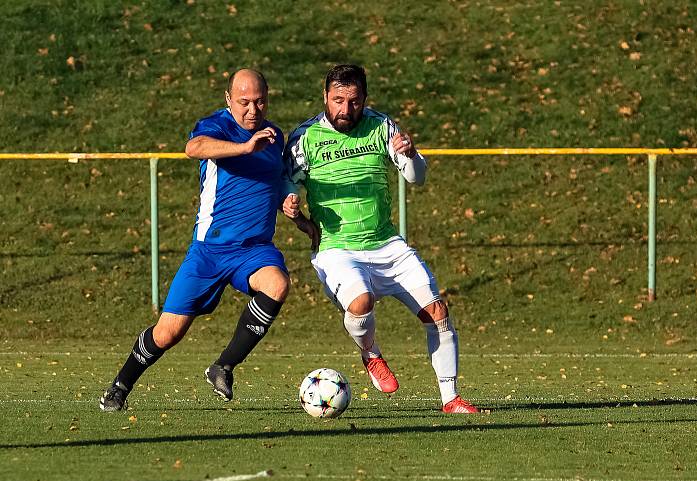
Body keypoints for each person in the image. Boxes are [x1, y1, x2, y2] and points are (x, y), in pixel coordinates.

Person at [282, 64, 478, 414]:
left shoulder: (382, 127)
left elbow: (415, 177)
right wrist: (291, 204)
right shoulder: (305, 137)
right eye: (338, 100)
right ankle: (371, 354)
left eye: (354, 101)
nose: (345, 109)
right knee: (361, 302)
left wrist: (412, 154)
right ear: (325, 97)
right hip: (337, 248)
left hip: (387, 244)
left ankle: (451, 400)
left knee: (438, 313)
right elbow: (289, 185)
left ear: (364, 99)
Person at [100, 68, 290, 411]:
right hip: (210, 251)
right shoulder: (216, 126)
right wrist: (245, 146)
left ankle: (223, 366)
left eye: (259, 101)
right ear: (228, 100)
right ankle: (120, 385)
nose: (252, 109)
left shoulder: (275, 136)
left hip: (254, 250)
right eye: (244, 102)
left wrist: (293, 210)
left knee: (276, 285)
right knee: (168, 333)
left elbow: (271, 185)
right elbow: (194, 148)